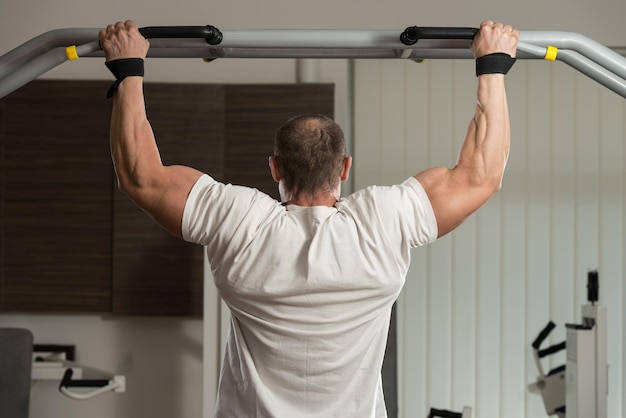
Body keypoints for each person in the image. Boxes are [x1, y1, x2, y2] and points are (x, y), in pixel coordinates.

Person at [99, 20, 519, 418]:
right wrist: (493, 67)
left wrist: (128, 68)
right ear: (345, 168)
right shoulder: (380, 222)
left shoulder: (240, 222)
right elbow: (480, 176)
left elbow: (142, 178)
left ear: (275, 168)